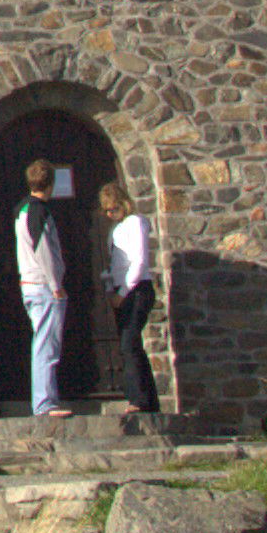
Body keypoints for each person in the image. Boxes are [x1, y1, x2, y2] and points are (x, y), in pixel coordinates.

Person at [99, 177, 160, 413]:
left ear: (123, 204)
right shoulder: (114, 231)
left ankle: (138, 400)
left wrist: (124, 292)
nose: (110, 214)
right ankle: (149, 401)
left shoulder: (136, 223)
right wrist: (109, 288)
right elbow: (115, 265)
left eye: (113, 208)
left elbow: (139, 261)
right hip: (121, 291)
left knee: (128, 343)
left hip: (136, 290)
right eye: (106, 211)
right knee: (132, 345)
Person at [15, 159, 70, 417]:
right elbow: (43, 249)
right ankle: (44, 403)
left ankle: (45, 400)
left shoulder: (21, 209)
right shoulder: (39, 210)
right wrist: (55, 283)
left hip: (29, 282)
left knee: (44, 341)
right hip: (42, 285)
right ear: (50, 184)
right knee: (47, 344)